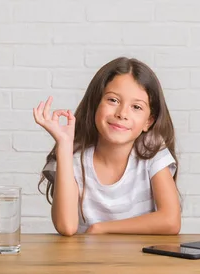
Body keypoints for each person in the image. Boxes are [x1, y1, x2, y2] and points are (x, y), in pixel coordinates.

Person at [33, 57, 180, 236]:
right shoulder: (74, 157)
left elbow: (171, 221)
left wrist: (101, 228)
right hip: (86, 261)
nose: (122, 114)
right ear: (96, 104)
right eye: (113, 100)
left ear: (148, 122)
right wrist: (64, 144)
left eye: (136, 107)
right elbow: (66, 226)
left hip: (139, 262)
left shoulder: (151, 151)